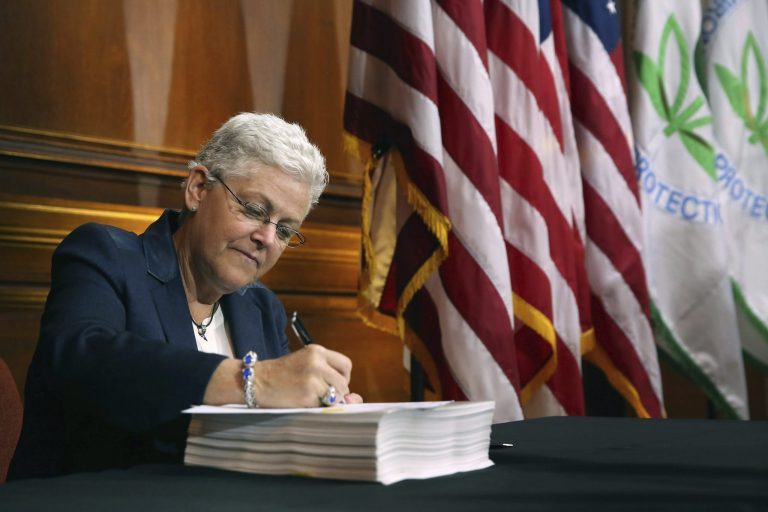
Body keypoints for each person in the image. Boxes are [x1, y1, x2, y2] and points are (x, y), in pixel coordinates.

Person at [9, 113, 362, 479]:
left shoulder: (261, 307)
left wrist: (322, 419)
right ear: (198, 189)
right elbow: (83, 362)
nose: (268, 239)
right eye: (255, 210)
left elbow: (270, 439)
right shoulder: (104, 255)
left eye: (286, 230)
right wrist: (254, 380)